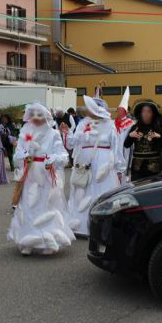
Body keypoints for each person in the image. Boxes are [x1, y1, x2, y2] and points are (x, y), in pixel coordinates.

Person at [7, 103, 75, 255]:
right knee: (29, 205)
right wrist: (22, 155)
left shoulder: (53, 134)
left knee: (46, 205)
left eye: (40, 115)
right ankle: (28, 239)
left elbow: (63, 155)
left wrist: (53, 158)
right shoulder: (25, 133)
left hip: (46, 173)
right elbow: (17, 153)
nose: (36, 118)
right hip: (30, 173)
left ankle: (47, 240)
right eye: (34, 115)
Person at [63, 95, 124, 237]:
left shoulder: (110, 124)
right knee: (82, 192)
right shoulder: (83, 123)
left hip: (103, 164)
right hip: (84, 163)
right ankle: (80, 226)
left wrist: (119, 167)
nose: (87, 111)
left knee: (101, 192)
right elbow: (71, 144)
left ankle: (101, 227)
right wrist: (66, 132)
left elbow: (116, 147)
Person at [124, 100, 162, 181]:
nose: (145, 114)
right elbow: (126, 145)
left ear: (153, 114)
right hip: (137, 168)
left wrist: (159, 137)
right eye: (143, 111)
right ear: (140, 113)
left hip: (154, 168)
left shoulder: (157, 128)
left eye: (148, 112)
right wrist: (130, 136)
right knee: (137, 190)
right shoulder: (135, 128)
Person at [114, 87, 134, 180]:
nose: (118, 111)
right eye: (118, 109)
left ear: (124, 111)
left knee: (125, 164)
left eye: (120, 109)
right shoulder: (114, 122)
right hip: (116, 147)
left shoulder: (130, 122)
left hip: (125, 148)